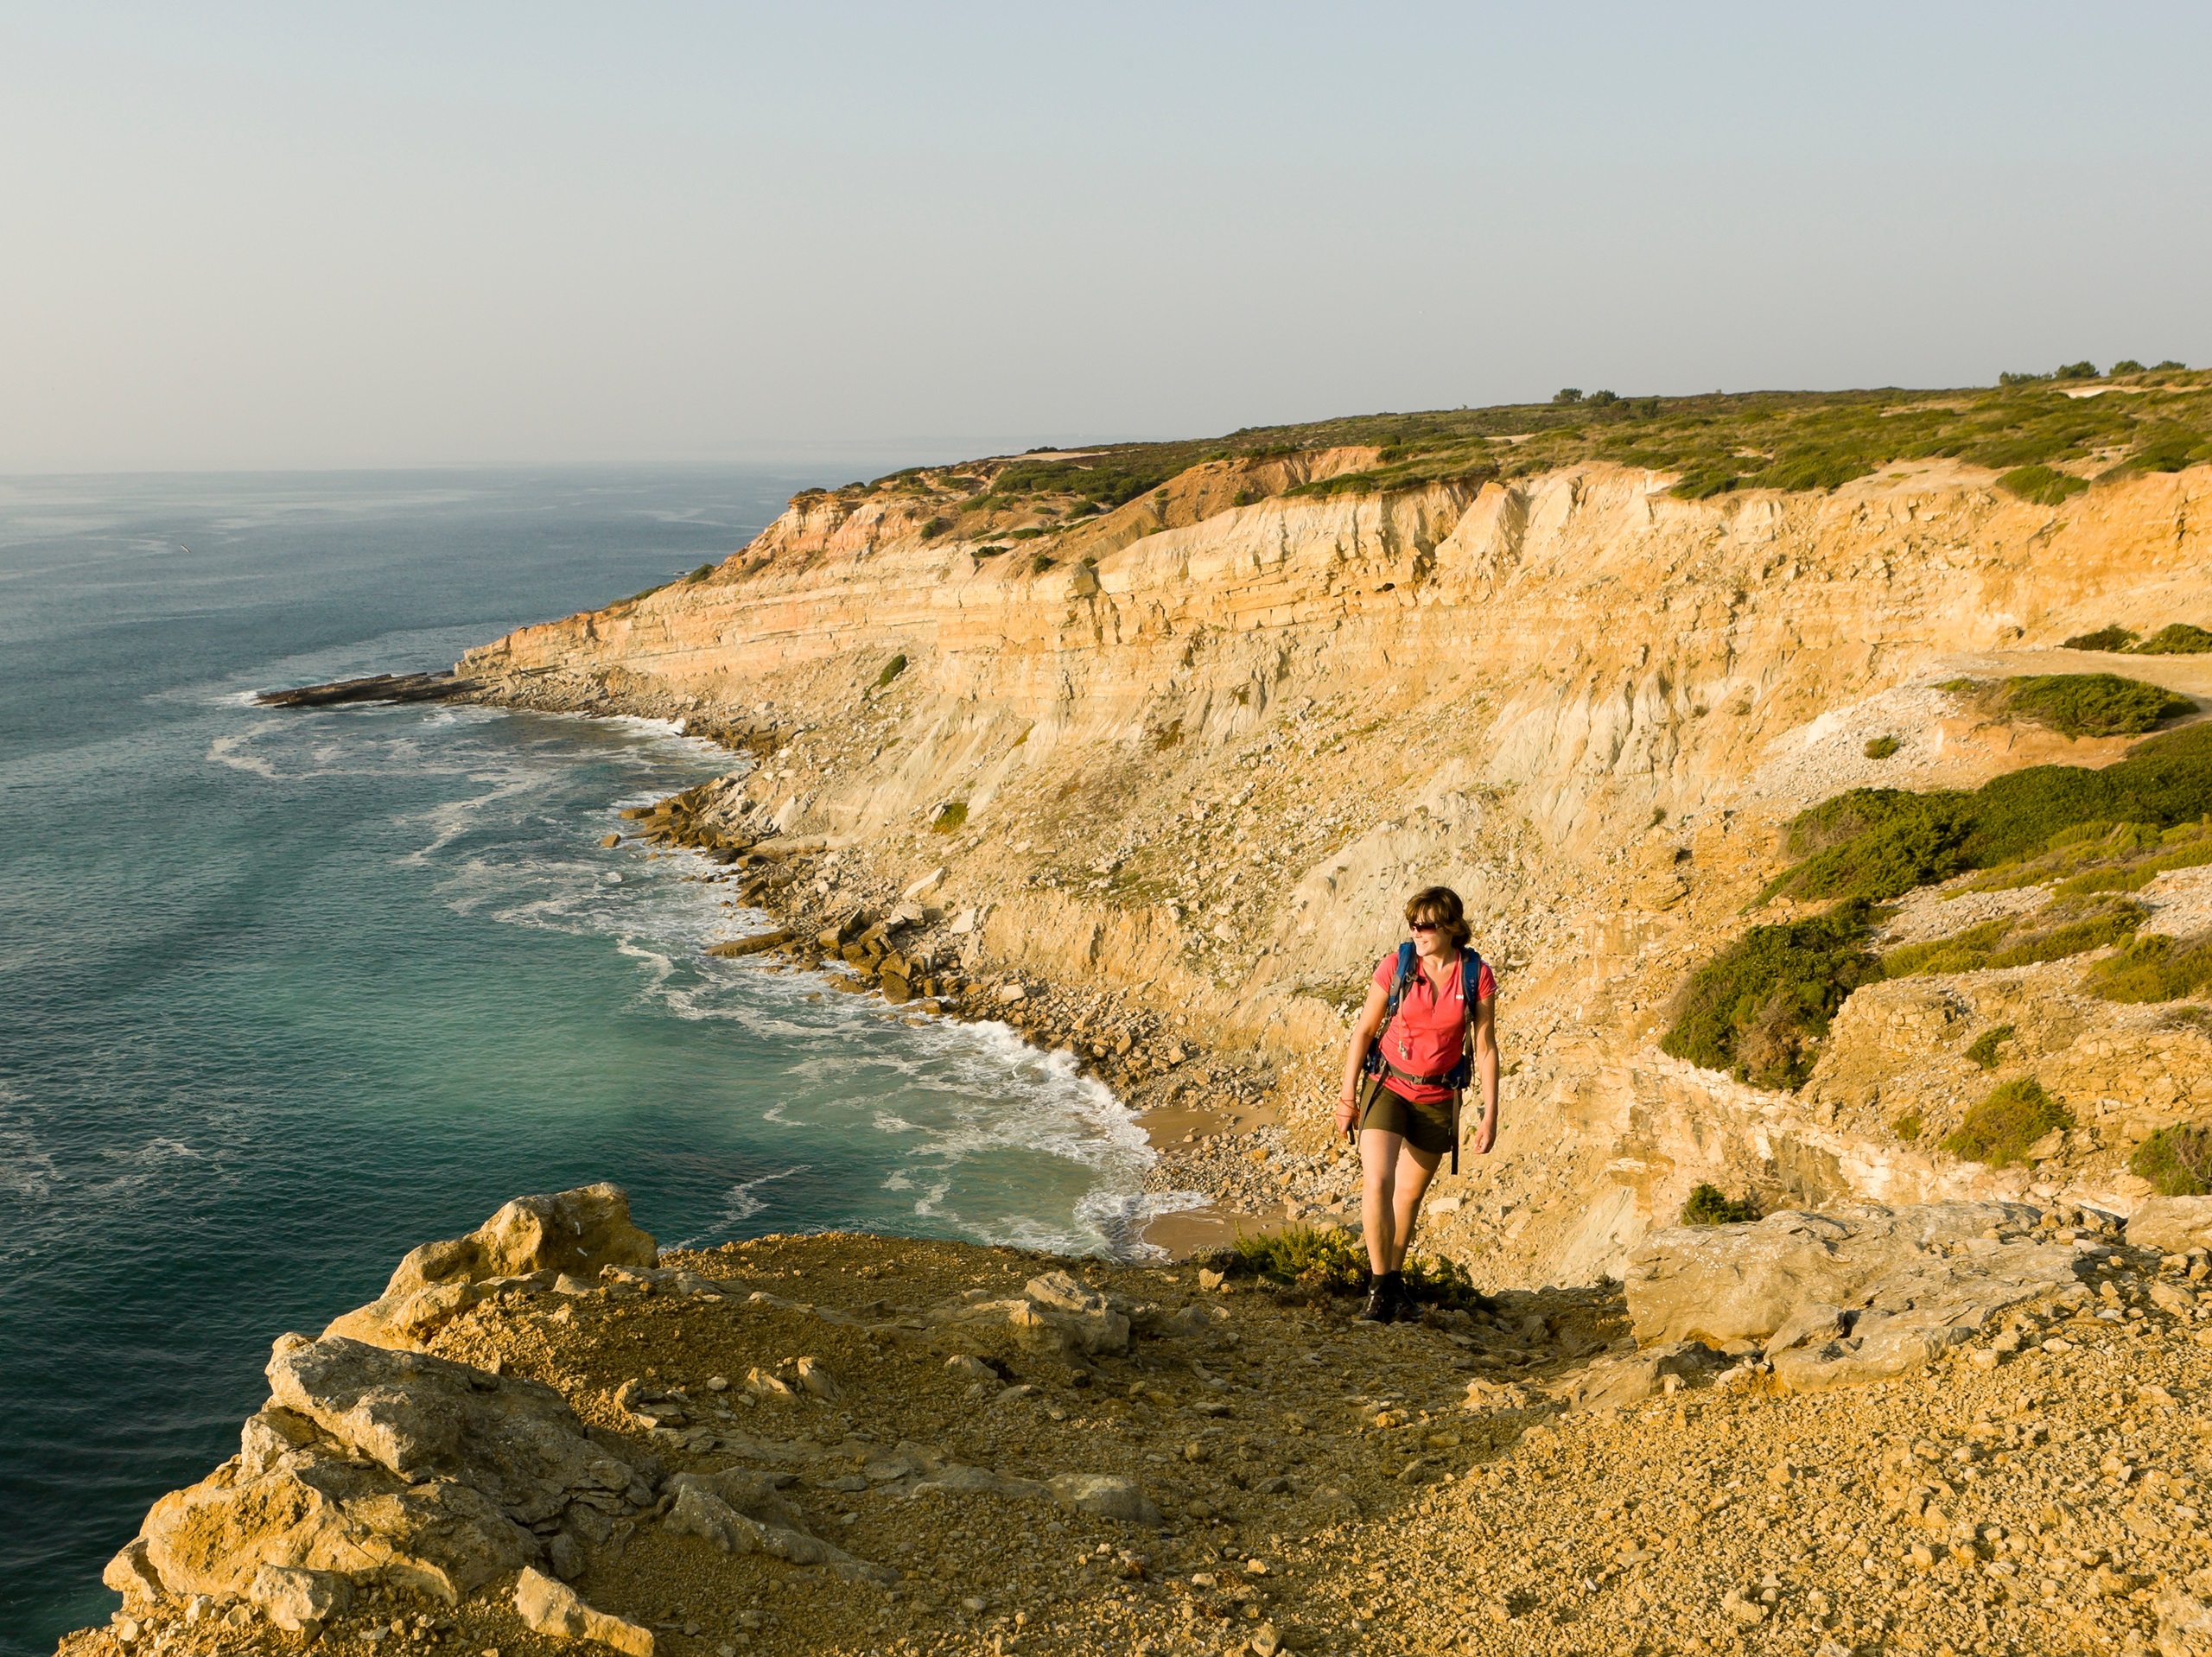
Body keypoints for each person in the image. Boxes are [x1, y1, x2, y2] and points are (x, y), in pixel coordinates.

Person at [1334, 886, 1498, 1323]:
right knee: (1379, 1182)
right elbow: (1364, 1032)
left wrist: (1490, 1116)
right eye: (1413, 923)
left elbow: (1485, 1048)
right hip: (1386, 1083)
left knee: (1407, 1197)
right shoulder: (1397, 965)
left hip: (1438, 1096)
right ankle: (1379, 1287)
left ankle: (1393, 1283)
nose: (1417, 932)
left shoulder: (1475, 975)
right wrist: (1346, 1098)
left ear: (1450, 928)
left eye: (1426, 924)